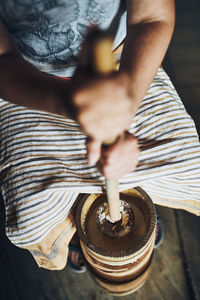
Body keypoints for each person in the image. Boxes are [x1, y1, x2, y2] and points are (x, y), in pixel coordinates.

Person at [0, 0, 200, 272]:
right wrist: (71, 104)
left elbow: (152, 17)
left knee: (192, 170)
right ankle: (73, 237)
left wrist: (124, 107)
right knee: (31, 222)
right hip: (26, 79)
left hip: (123, 62)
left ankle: (142, 207)